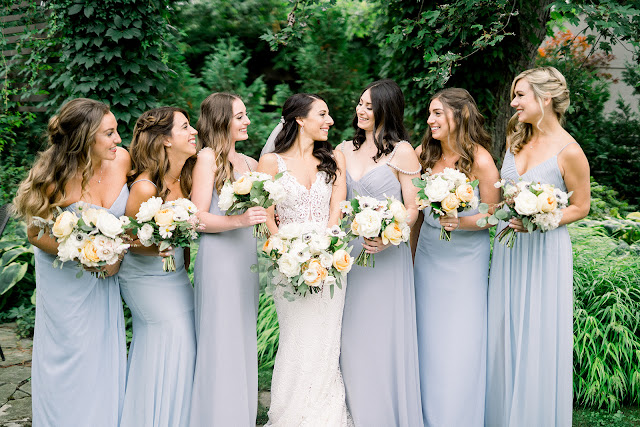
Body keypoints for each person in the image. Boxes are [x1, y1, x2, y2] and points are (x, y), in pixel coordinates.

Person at [13, 98, 129, 426]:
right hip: (66, 280)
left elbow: (154, 184)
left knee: (101, 356)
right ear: (84, 138)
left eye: (116, 131)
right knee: (71, 355)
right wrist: (88, 256)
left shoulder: (122, 160)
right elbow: (36, 234)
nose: (118, 139)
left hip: (104, 283)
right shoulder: (53, 177)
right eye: (109, 133)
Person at [485, 67, 590, 426]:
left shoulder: (569, 151)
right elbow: (503, 196)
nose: (513, 103)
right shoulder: (516, 140)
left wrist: (542, 219)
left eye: (520, 96)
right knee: (503, 327)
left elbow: (581, 206)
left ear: (545, 99)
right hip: (510, 250)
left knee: (538, 333)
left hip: (544, 252)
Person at [257, 93, 350, 425]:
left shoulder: (334, 158)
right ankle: (290, 414)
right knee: (297, 336)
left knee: (326, 338)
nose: (330, 121)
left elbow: (336, 210)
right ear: (300, 119)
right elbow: (267, 215)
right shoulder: (271, 163)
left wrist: (324, 252)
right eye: (323, 114)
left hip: (328, 262)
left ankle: (326, 415)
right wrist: (286, 252)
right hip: (288, 262)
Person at [411, 88, 500, 426]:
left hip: (465, 265)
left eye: (437, 113)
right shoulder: (423, 155)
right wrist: (412, 258)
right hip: (430, 258)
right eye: (430, 113)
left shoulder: (480, 160)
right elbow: (417, 216)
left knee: (459, 342)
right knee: (428, 340)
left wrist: (460, 222)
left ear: (459, 116)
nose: (430, 120)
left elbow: (494, 216)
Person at [337, 79, 423, 426]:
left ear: (387, 109)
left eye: (370, 106)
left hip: (387, 254)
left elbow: (414, 207)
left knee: (381, 336)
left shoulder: (402, 151)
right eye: (360, 103)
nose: (361, 110)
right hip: (350, 254)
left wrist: (391, 236)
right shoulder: (342, 149)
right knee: (352, 336)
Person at [189, 93, 266, 426]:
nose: (247, 121)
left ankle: (240, 414)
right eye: (240, 116)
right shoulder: (207, 158)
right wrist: (239, 221)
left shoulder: (250, 164)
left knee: (241, 335)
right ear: (221, 120)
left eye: (246, 115)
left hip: (245, 259)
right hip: (219, 259)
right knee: (221, 335)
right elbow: (197, 218)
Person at [118, 107, 198, 427]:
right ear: (165, 139)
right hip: (145, 279)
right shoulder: (145, 187)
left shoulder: (187, 179)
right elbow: (126, 240)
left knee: (186, 343)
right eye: (185, 127)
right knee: (170, 338)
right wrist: (167, 236)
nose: (193, 131)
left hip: (176, 276)